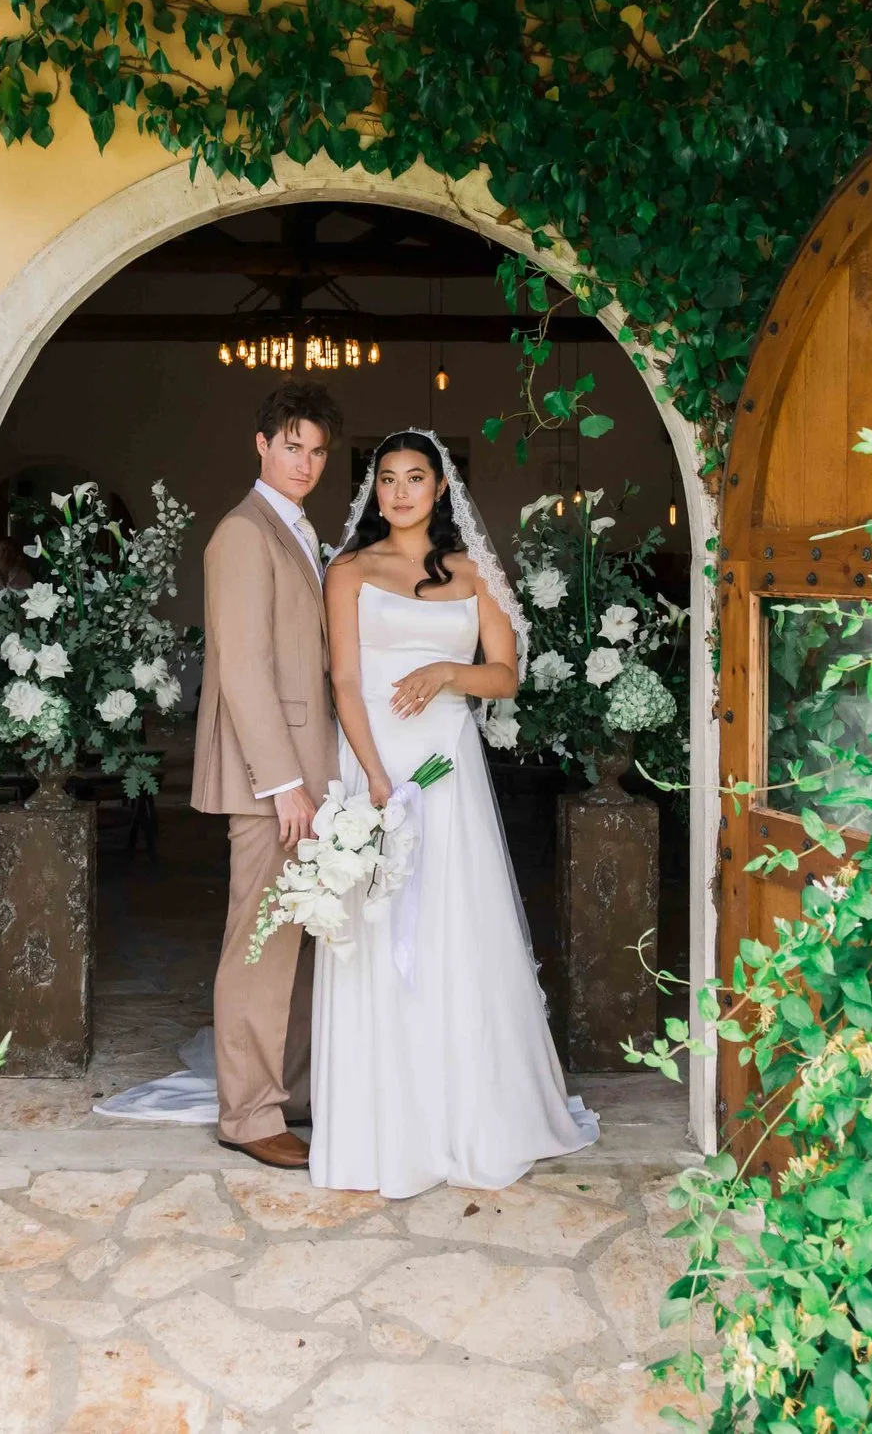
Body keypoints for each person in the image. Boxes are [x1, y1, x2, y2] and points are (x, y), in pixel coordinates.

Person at [313, 430, 598, 1195]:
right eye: (387, 479)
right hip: (375, 764)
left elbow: (505, 676)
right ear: (373, 491)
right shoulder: (347, 570)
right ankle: (382, 1128)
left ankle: (469, 1115)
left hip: (449, 771)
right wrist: (374, 779)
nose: (400, 492)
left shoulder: (474, 573)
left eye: (416, 478)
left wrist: (446, 670)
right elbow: (343, 680)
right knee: (377, 931)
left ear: (442, 489)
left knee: (454, 928)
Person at [192, 381, 343, 1170]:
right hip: (269, 778)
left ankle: (290, 1093)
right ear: (261, 445)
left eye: (317, 450)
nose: (305, 462)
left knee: (296, 935)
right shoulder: (243, 534)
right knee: (258, 939)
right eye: (292, 446)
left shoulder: (298, 528)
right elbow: (244, 669)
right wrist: (282, 781)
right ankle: (247, 1113)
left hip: (305, 773)